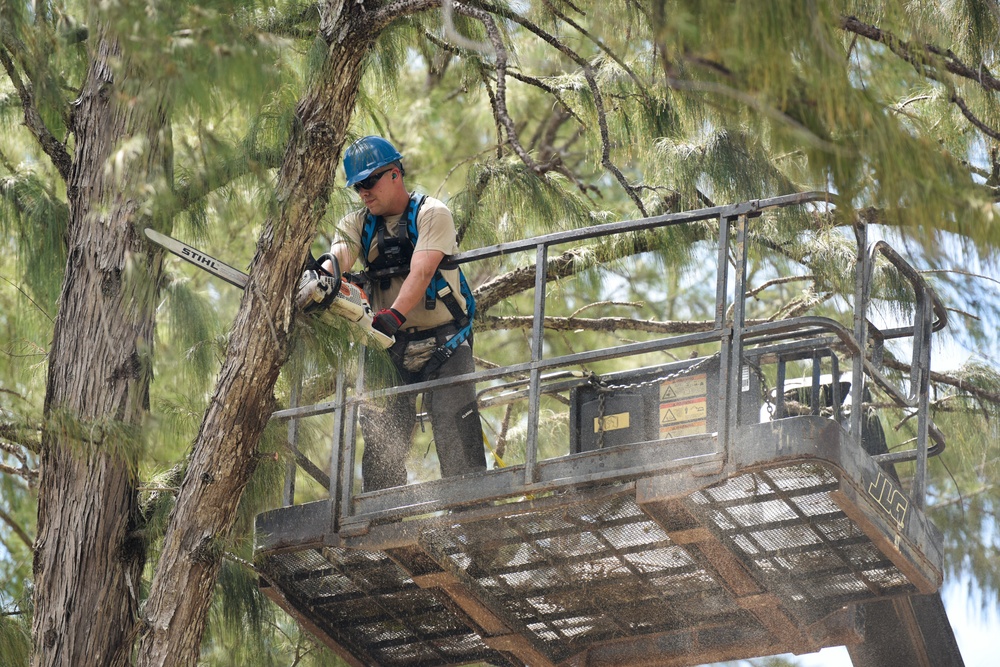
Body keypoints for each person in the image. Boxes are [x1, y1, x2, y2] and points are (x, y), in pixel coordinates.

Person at [323, 136, 487, 492]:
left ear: (395, 174)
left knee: (456, 428)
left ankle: (478, 526)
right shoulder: (356, 223)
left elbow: (422, 271)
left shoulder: (432, 213)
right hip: (390, 349)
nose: (363, 192)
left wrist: (393, 315)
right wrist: (322, 275)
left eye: (369, 182)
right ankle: (384, 521)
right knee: (381, 436)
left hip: (446, 343)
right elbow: (340, 255)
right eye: (357, 186)